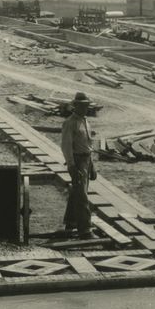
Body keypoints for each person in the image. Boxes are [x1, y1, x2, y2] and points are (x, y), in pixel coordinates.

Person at [59, 92, 96, 238]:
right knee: (82, 196)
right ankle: (85, 230)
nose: (85, 108)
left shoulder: (86, 121)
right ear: (75, 106)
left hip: (86, 160)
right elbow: (66, 146)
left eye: (86, 106)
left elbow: (88, 145)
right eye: (82, 106)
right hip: (77, 161)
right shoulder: (70, 123)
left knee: (77, 192)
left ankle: (71, 222)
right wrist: (71, 166)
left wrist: (92, 166)